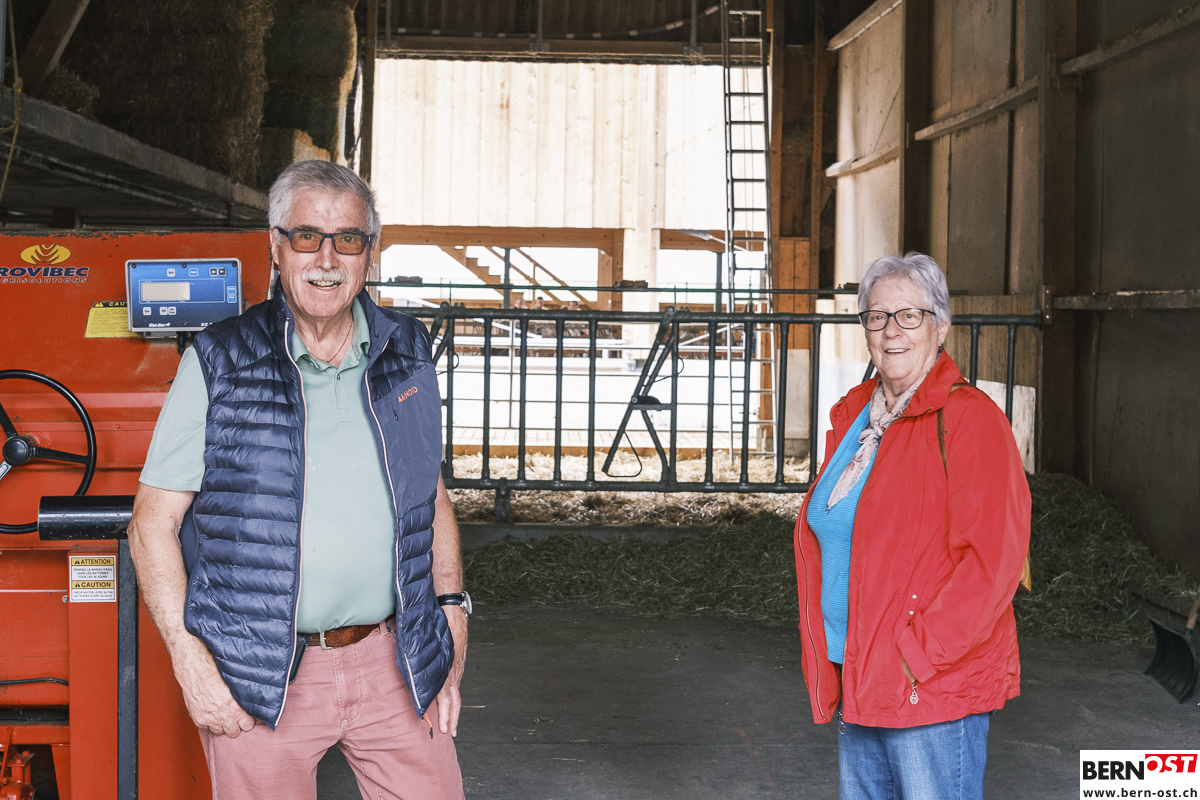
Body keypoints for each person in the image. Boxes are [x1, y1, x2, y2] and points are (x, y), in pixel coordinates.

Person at [128, 160, 468, 800]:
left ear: (370, 253)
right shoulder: (220, 360)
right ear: (276, 246)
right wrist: (189, 658)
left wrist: (451, 613)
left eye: (349, 239)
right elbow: (152, 524)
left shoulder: (407, 351)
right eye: (307, 236)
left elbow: (431, 494)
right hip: (259, 670)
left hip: (393, 660)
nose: (327, 259)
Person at [793, 252, 1030, 799]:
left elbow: (994, 562)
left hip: (927, 686)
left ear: (940, 326)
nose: (891, 331)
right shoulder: (856, 417)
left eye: (909, 315)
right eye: (877, 316)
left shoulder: (969, 418)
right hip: (860, 674)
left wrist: (916, 656)